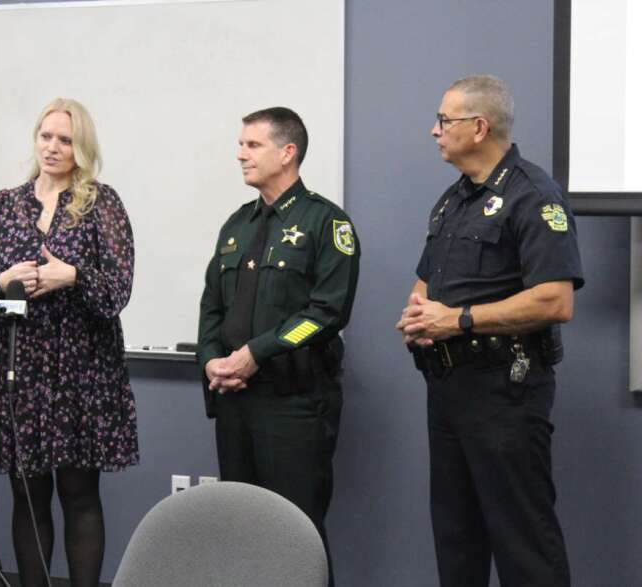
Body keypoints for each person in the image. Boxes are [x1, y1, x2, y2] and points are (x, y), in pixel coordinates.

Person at [396, 75, 583, 587]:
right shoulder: (453, 200)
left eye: (444, 120)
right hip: (449, 389)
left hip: (507, 391)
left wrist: (457, 320)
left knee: (523, 542)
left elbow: (555, 299)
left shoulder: (534, 194)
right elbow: (426, 278)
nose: (434, 131)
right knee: (457, 541)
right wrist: (417, 316)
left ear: (479, 127)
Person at [0, 97, 139, 587]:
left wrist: (72, 275)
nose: (52, 147)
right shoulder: (3, 205)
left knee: (79, 493)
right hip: (17, 365)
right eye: (46, 136)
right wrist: (3, 278)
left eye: (65, 140)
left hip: (81, 368)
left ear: (81, 147)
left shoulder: (101, 203)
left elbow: (118, 291)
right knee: (27, 494)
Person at [197, 106, 360, 585]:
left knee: (296, 532)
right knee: (241, 529)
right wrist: (211, 361)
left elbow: (327, 314)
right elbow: (212, 309)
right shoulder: (237, 225)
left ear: (287, 153)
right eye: (240, 144)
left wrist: (255, 354)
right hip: (235, 402)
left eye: (253, 145)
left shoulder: (326, 223)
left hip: (294, 404)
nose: (240, 154)